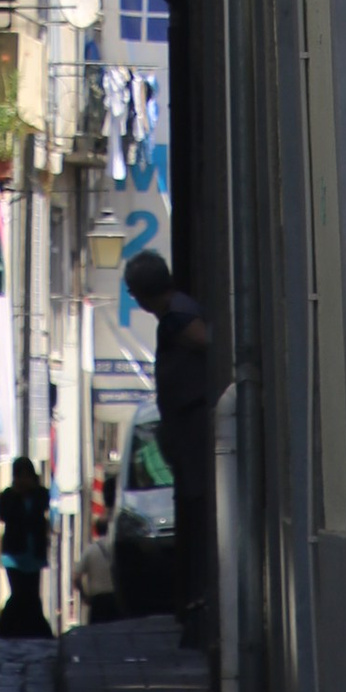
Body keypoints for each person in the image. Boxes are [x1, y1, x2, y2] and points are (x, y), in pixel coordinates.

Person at [125, 250, 213, 643]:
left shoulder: (178, 316)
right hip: (187, 435)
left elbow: (204, 340)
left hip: (195, 436)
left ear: (143, 292)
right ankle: (194, 611)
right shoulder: (174, 313)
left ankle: (198, 612)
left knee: (196, 517)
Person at [0, 452, 54, 637]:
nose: (23, 479)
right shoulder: (8, 496)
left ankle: (23, 630)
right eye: (19, 475)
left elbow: (44, 504)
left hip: (34, 554)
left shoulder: (39, 494)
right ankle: (9, 628)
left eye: (26, 475)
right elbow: (4, 515)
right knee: (20, 593)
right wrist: (17, 494)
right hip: (14, 554)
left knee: (31, 593)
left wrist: (31, 489)